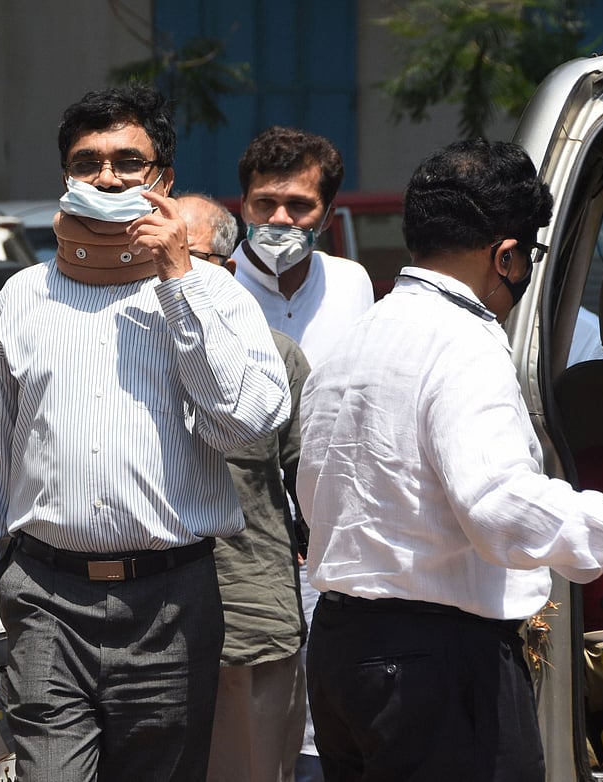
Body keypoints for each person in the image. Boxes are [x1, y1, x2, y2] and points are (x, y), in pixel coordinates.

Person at [295, 138, 603, 781]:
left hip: (346, 654)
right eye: (528, 257)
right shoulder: (464, 344)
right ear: (504, 255)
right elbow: (502, 508)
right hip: (436, 667)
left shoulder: (356, 341)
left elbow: (314, 495)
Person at [0, 85, 291, 782]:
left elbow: (247, 421)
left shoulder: (213, 296)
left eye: (128, 161)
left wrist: (178, 280)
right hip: (47, 604)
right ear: (67, 177)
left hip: (173, 605)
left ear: (165, 181)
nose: (109, 177)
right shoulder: (26, 297)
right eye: (89, 162)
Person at [231, 125, 373, 781]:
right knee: (257, 726)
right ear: (243, 206)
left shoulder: (353, 284)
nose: (280, 220)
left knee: (331, 717)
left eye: (299, 206)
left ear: (326, 212)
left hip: (343, 537)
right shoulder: (212, 291)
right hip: (249, 541)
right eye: (265, 204)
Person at [178, 193, 310, 782]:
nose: (165, 268)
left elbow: (313, 486)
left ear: (227, 270)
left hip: (247, 616)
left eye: (185, 254)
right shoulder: (116, 354)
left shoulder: (274, 360)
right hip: (137, 627)